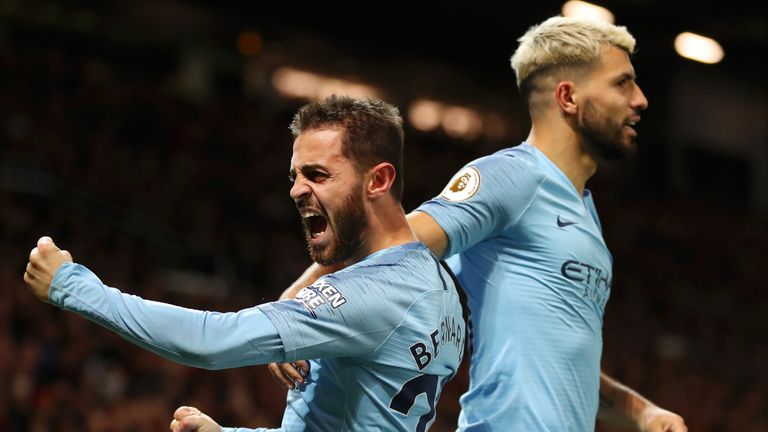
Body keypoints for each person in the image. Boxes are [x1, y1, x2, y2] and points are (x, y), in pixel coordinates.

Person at [267, 16, 688, 431]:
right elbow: (393, 241)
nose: (640, 99)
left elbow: (561, 368)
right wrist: (294, 307)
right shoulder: (513, 177)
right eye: (622, 82)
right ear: (568, 97)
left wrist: (640, 412)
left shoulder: (585, 212)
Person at [23, 95, 466, 432]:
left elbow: (213, 341)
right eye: (295, 176)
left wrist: (71, 285)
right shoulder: (442, 290)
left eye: (317, 174)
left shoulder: (372, 295)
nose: (296, 191)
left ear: (379, 180)